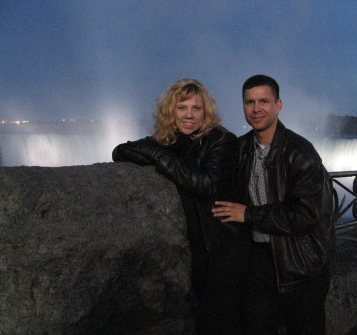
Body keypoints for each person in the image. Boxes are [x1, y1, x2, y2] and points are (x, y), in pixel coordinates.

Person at [112, 78, 250, 335]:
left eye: (196, 108)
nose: (189, 115)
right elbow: (120, 152)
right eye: (182, 107)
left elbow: (206, 183)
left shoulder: (221, 140)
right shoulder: (167, 139)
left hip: (222, 246)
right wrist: (156, 150)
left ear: (205, 112)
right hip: (193, 249)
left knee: (220, 322)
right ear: (170, 111)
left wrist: (156, 155)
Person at [212, 74, 335, 335]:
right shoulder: (242, 149)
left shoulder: (299, 152)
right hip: (258, 262)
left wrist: (248, 214)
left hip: (300, 262)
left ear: (278, 105)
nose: (256, 109)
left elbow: (306, 214)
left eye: (264, 101)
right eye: (249, 102)